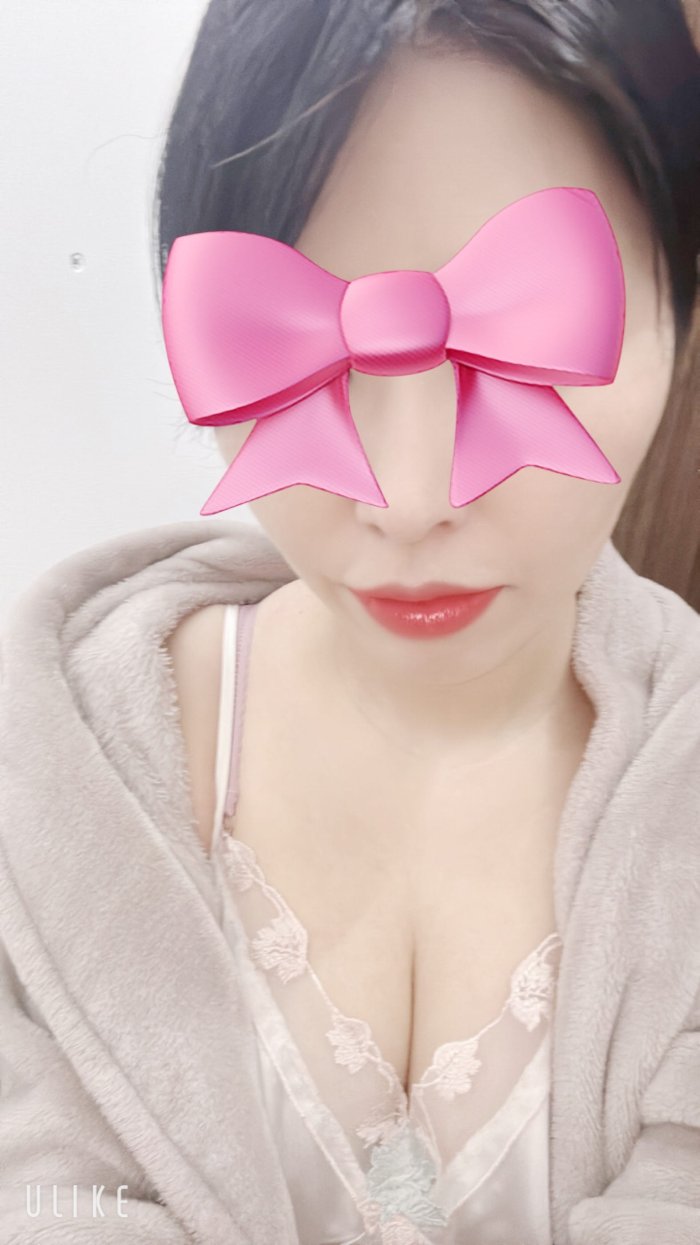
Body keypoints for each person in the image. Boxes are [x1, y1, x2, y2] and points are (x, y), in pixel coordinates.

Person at [0, 2, 699, 1243]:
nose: (409, 500)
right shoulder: (51, 777)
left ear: (683, 312)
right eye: (305, 363)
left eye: (519, 360)